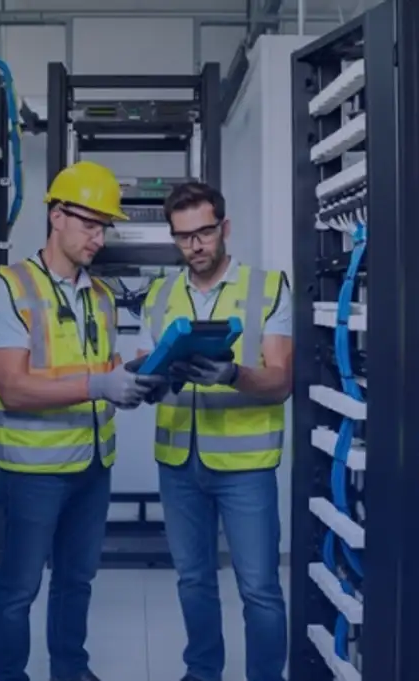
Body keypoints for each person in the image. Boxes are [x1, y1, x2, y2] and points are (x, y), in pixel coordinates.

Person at [0, 160, 168, 681]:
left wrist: (132, 380)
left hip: (91, 463)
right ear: (57, 215)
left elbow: (100, 370)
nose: (99, 238)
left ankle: (70, 670)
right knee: (20, 588)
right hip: (32, 469)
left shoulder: (101, 297)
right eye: (90, 223)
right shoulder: (11, 288)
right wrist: (97, 385)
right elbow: (14, 386)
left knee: (76, 580)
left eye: (105, 227)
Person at [138, 182, 292, 681]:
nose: (195, 246)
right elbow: (148, 378)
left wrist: (233, 375)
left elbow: (281, 380)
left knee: (259, 588)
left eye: (204, 232)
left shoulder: (268, 288)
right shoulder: (159, 295)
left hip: (245, 466)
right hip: (178, 462)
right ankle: (202, 672)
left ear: (224, 228)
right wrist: (153, 378)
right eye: (183, 237)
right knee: (193, 581)